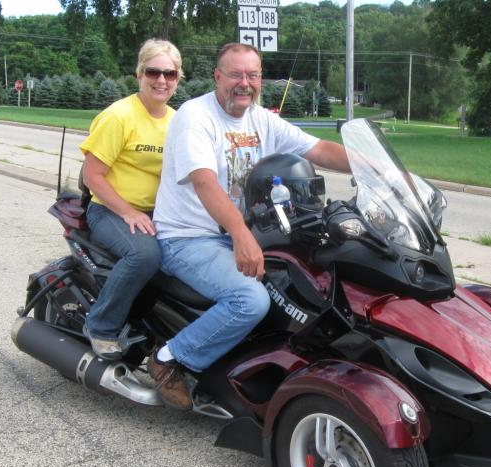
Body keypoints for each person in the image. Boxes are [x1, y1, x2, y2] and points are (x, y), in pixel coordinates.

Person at [149, 42, 350, 409]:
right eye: (236, 74)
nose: (245, 83)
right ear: (217, 76)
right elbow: (205, 182)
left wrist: (383, 170)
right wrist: (241, 235)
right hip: (189, 237)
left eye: (253, 75)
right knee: (250, 300)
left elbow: (319, 149)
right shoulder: (195, 117)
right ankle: (170, 358)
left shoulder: (262, 119)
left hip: (242, 231)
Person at [79, 39, 182, 360]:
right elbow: (91, 175)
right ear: (139, 73)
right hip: (110, 210)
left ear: (179, 78)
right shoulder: (119, 116)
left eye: (170, 73)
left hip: (157, 212)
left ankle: (151, 324)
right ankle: (101, 326)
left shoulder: (178, 120)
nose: (161, 80)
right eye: (153, 71)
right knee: (145, 256)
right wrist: (128, 213)